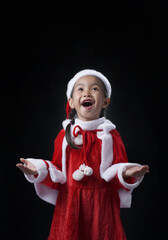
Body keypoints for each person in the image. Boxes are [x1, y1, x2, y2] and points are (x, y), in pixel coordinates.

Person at [16, 69, 149, 240]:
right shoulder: (65, 136)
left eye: (94, 89)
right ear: (71, 102)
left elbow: (117, 169)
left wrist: (127, 172)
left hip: (101, 208)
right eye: (80, 89)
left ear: (105, 101)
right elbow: (57, 171)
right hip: (70, 205)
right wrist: (37, 169)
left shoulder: (110, 136)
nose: (87, 92)